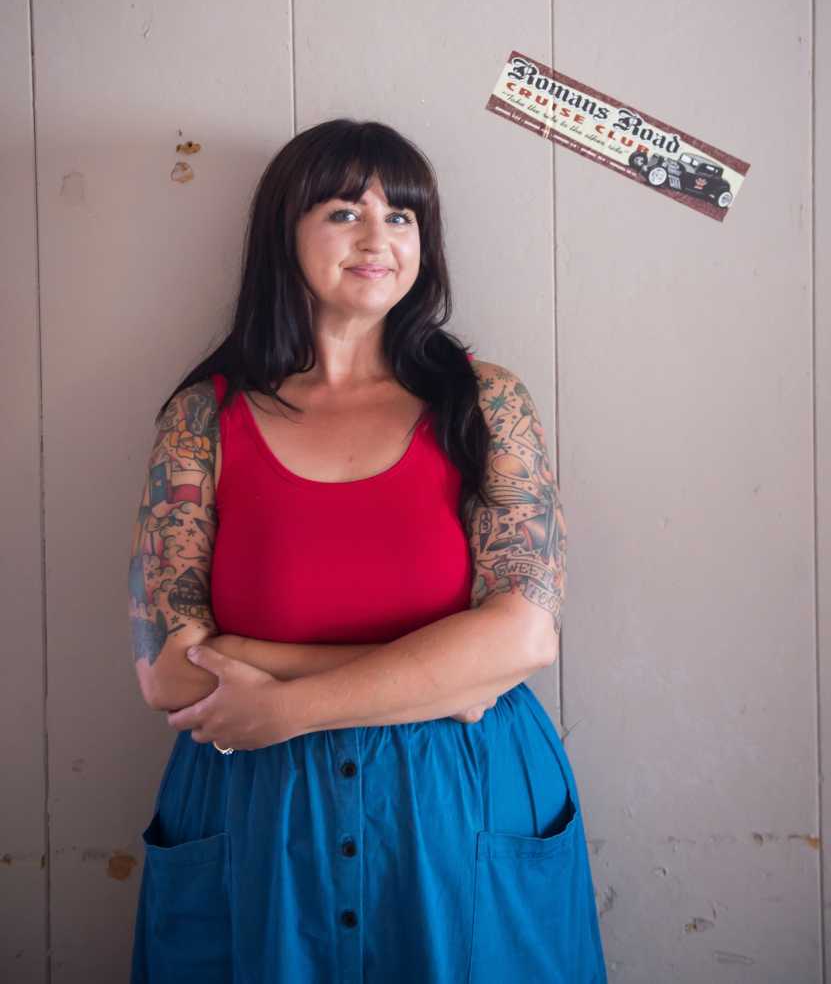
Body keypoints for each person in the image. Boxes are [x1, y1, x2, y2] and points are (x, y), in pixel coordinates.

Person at [127, 118, 608, 983]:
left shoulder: (486, 403)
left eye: (403, 216)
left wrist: (279, 700)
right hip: (262, 812)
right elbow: (172, 673)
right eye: (345, 212)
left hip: (457, 802)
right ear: (287, 231)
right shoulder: (203, 419)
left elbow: (525, 639)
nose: (379, 237)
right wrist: (444, 674)